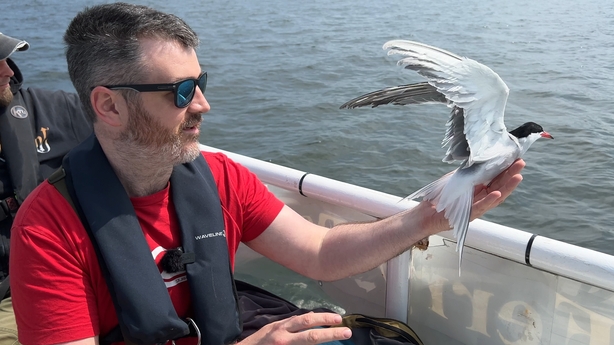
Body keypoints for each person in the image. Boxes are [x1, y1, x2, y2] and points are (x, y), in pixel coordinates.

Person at [8, 3, 526, 345]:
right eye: (182, 92)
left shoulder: (220, 177)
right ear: (109, 106)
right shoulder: (48, 230)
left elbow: (320, 254)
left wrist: (426, 219)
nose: (205, 105)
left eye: (201, 82)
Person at [0, 32, 92, 344]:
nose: (8, 71)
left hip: (41, 276)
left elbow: (128, 135)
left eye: (6, 59)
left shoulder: (55, 110)